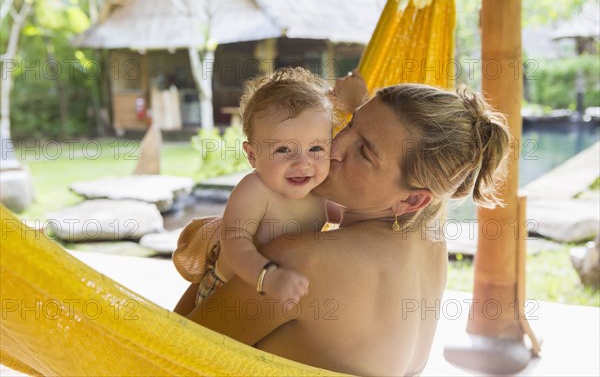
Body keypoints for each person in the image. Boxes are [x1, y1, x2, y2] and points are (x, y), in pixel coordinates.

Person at [175, 69, 511, 376]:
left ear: (412, 200)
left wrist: (221, 249)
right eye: (349, 124)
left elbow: (169, 355)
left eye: (364, 154)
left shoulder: (300, 262)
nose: (334, 147)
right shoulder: (429, 235)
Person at [174, 67, 334, 306]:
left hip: (282, 294)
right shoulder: (255, 190)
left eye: (316, 148)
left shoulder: (323, 190)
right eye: (283, 150)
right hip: (226, 294)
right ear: (252, 155)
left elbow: (357, 216)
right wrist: (267, 277)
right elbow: (234, 241)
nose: (303, 163)